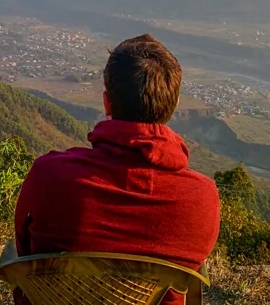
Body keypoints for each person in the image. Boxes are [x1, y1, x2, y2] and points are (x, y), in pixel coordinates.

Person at [14, 34, 221, 304]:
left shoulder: (49, 176)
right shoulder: (201, 198)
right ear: (174, 106)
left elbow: (25, 252)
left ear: (107, 102)